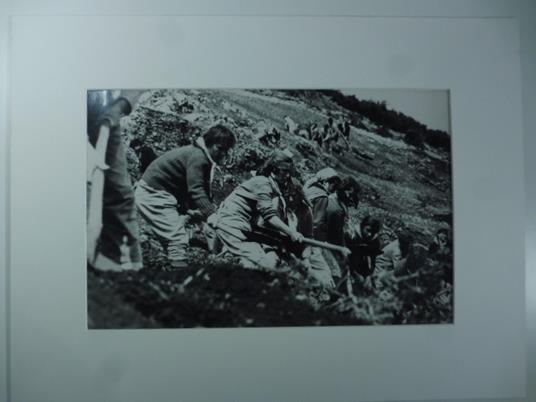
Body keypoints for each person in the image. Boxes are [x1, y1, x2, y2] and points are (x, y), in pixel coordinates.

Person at [134, 124, 236, 268]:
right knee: (177, 240)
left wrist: (199, 211)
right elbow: (196, 191)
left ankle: (170, 271)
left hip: (160, 194)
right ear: (209, 143)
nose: (223, 154)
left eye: (226, 150)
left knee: (172, 241)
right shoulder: (198, 158)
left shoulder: (200, 156)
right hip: (154, 194)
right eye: (219, 148)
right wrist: (212, 215)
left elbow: (192, 189)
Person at [208, 151, 304, 270]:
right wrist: (291, 232)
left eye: (288, 172)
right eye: (284, 171)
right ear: (274, 169)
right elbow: (269, 216)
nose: (287, 176)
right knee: (262, 264)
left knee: (263, 257)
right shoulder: (263, 183)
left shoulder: (268, 185)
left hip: (241, 225)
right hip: (231, 223)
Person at [87, 96, 144, 271]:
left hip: (106, 110)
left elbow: (138, 77)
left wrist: (121, 104)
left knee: (120, 192)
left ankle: (125, 265)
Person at [345, 215, 383, 280]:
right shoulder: (351, 235)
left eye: (373, 232)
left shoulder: (375, 241)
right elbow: (344, 256)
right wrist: (355, 273)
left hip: (363, 269)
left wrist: (369, 275)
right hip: (348, 265)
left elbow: (373, 260)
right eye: (368, 230)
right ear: (362, 226)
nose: (369, 234)